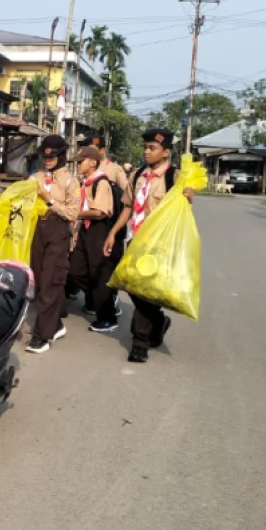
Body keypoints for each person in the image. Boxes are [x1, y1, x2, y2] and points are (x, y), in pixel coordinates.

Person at [104, 129, 195, 363]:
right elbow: (127, 206)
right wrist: (114, 233)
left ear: (165, 152)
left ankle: (140, 343)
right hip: (134, 241)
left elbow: (185, 204)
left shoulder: (174, 177)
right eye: (145, 147)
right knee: (134, 288)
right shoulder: (136, 175)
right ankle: (158, 322)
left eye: (152, 148)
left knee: (145, 292)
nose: (146, 151)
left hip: (159, 245)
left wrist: (189, 192)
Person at [26, 135, 81, 354]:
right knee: (39, 282)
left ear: (61, 156)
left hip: (58, 231)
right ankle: (56, 324)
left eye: (53, 156)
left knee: (51, 281)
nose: (48, 160)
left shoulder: (70, 181)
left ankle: (43, 335)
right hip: (36, 231)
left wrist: (49, 199)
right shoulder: (36, 177)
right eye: (45, 156)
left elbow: (72, 212)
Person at [67, 146, 120, 334]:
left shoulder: (101, 182)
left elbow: (99, 211)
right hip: (85, 229)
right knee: (75, 270)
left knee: (99, 273)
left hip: (98, 230)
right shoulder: (85, 182)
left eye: (81, 162)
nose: (78, 165)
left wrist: (75, 213)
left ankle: (107, 317)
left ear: (93, 162)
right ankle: (101, 297)